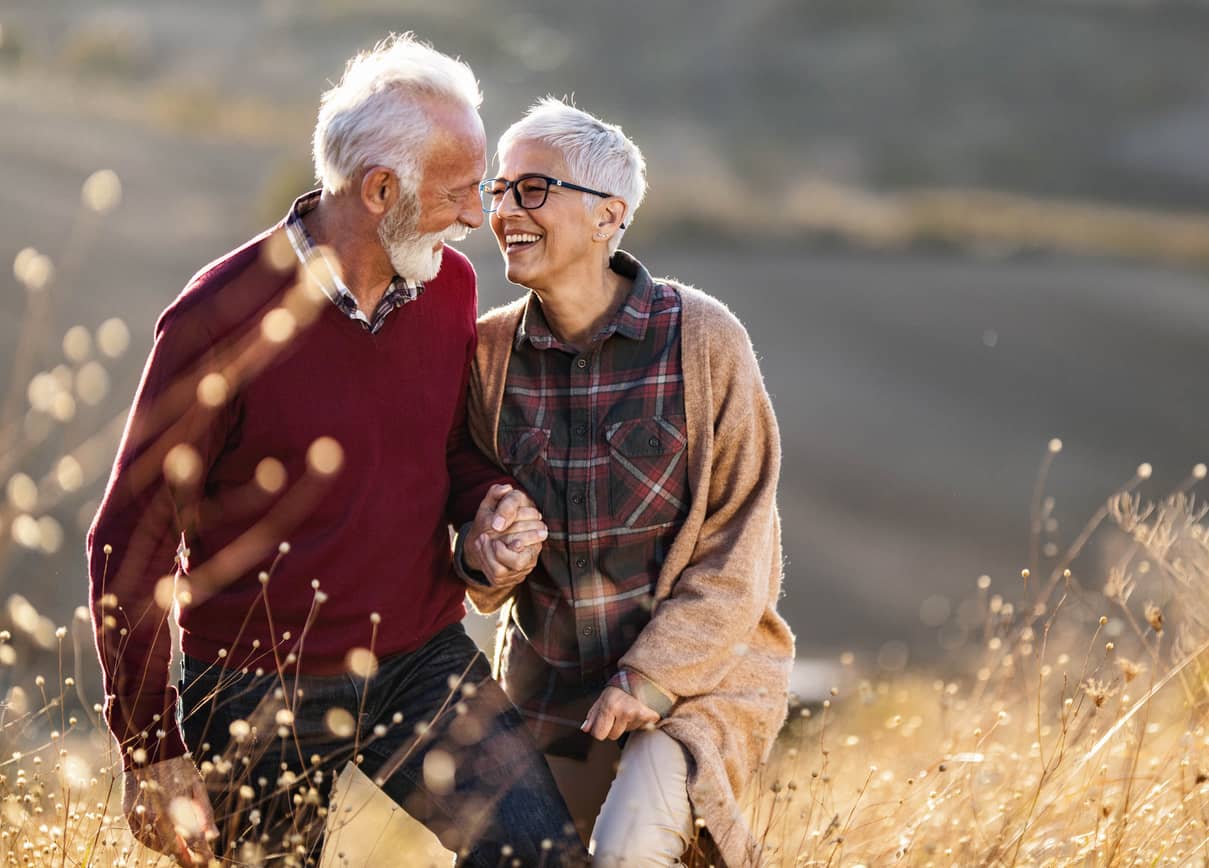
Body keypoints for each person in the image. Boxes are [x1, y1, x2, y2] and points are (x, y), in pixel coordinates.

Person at [87, 36, 584, 867]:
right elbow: (128, 540)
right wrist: (150, 748)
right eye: (460, 193)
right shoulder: (220, 318)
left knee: (544, 857)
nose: (475, 218)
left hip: (422, 662)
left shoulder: (447, 286)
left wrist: (487, 503)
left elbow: (447, 447)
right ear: (380, 189)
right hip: (254, 688)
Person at [462, 98, 796, 867]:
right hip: (550, 693)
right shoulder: (484, 355)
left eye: (533, 189)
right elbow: (462, 511)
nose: (506, 209)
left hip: (695, 682)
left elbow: (742, 547)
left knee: (630, 849)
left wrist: (649, 679)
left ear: (608, 216)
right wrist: (481, 553)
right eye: (499, 190)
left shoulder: (702, 337)